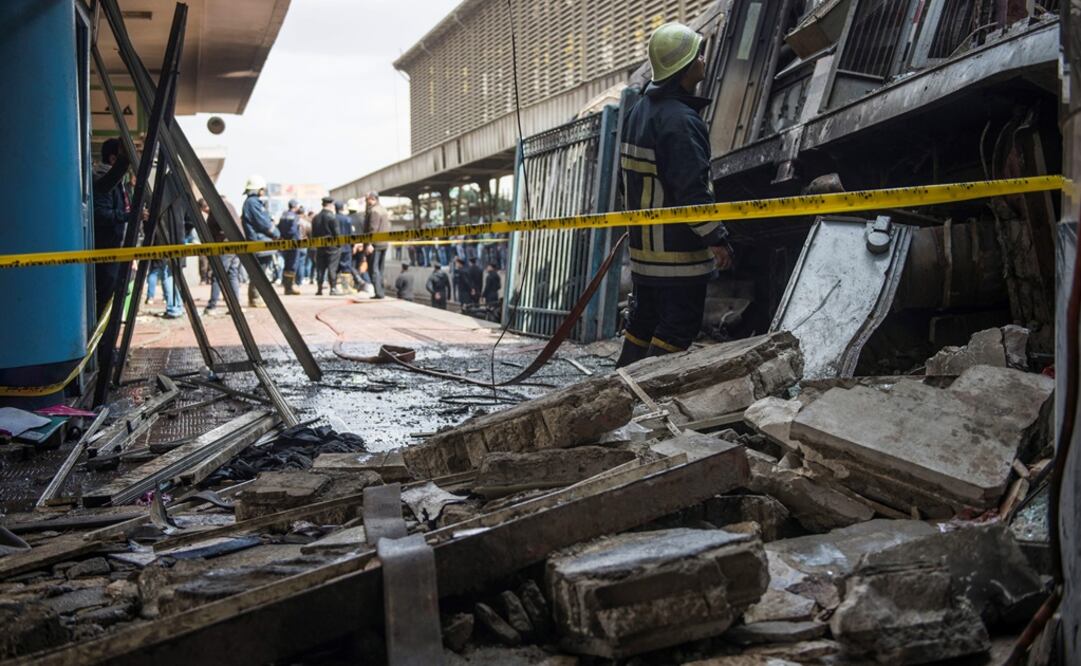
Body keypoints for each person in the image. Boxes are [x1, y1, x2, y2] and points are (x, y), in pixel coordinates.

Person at [615, 22, 734, 368]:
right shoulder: (681, 121)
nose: (704, 61)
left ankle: (614, 396)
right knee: (676, 330)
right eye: (699, 55)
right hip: (678, 258)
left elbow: (626, 185)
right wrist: (717, 238)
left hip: (645, 256)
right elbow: (693, 190)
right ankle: (643, 404)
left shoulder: (640, 112)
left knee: (642, 324)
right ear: (684, 67)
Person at [92, 138, 132, 319]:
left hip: (115, 248)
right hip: (107, 250)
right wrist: (128, 216)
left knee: (112, 297)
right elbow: (101, 214)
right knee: (106, 300)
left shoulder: (115, 182)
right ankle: (104, 345)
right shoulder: (102, 180)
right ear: (114, 159)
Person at [240, 175, 280, 307]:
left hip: (260, 242)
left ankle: (256, 298)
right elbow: (263, 223)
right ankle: (255, 298)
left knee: (260, 272)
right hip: (259, 242)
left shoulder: (252, 203)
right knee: (259, 273)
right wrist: (276, 233)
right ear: (258, 189)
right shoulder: (253, 203)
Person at [202, 198, 243, 315]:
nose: (206, 213)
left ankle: (212, 306)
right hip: (237, 243)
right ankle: (236, 307)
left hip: (226, 244)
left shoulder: (216, 208)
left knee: (218, 275)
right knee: (233, 274)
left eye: (205, 211)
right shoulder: (227, 204)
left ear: (206, 206)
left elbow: (213, 229)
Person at [311, 197, 341, 295]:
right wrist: (339, 244)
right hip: (332, 247)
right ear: (331, 204)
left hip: (320, 246)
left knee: (320, 268)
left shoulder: (316, 217)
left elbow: (313, 234)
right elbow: (336, 233)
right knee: (332, 267)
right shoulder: (332, 216)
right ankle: (333, 288)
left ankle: (319, 289)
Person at [364, 191, 390, 299]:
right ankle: (381, 291)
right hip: (384, 243)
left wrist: (369, 243)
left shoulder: (374, 211)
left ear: (372, 199)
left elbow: (372, 229)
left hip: (375, 244)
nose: (367, 202)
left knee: (373, 269)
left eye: (367, 199)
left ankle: (378, 292)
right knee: (380, 269)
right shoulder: (383, 210)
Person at [336, 200, 365, 291]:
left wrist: (354, 245)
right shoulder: (362, 218)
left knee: (350, 266)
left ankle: (357, 281)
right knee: (357, 266)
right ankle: (357, 284)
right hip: (361, 246)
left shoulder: (347, 218)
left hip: (351, 246)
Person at [277, 199, 301, 295]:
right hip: (293, 243)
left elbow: (278, 227)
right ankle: (289, 288)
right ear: (295, 207)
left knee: (286, 264)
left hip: (284, 242)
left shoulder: (283, 215)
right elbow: (293, 230)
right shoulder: (295, 216)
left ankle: (287, 287)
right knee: (292, 265)